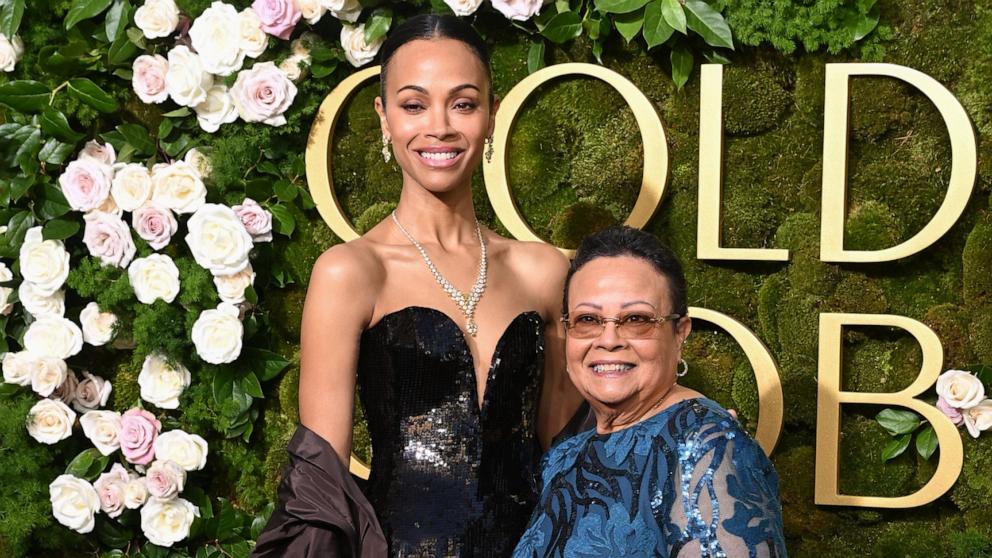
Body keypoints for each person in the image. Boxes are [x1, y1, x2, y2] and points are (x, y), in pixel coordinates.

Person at [255, 14, 582, 557]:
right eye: (413, 105)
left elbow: (567, 461)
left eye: (463, 103)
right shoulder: (352, 272)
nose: (439, 127)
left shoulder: (542, 271)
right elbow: (322, 485)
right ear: (384, 118)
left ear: (491, 114)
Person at [513, 226, 787, 557]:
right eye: (588, 319)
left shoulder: (707, 448)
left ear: (680, 333)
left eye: (636, 319)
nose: (609, 339)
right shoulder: (565, 455)